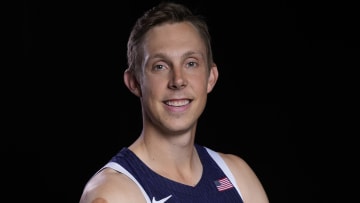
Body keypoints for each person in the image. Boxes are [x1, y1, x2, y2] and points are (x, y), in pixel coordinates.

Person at [79, 2, 269, 203]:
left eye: (191, 63)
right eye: (160, 66)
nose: (178, 80)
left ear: (210, 78)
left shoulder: (237, 176)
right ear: (134, 82)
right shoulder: (114, 193)